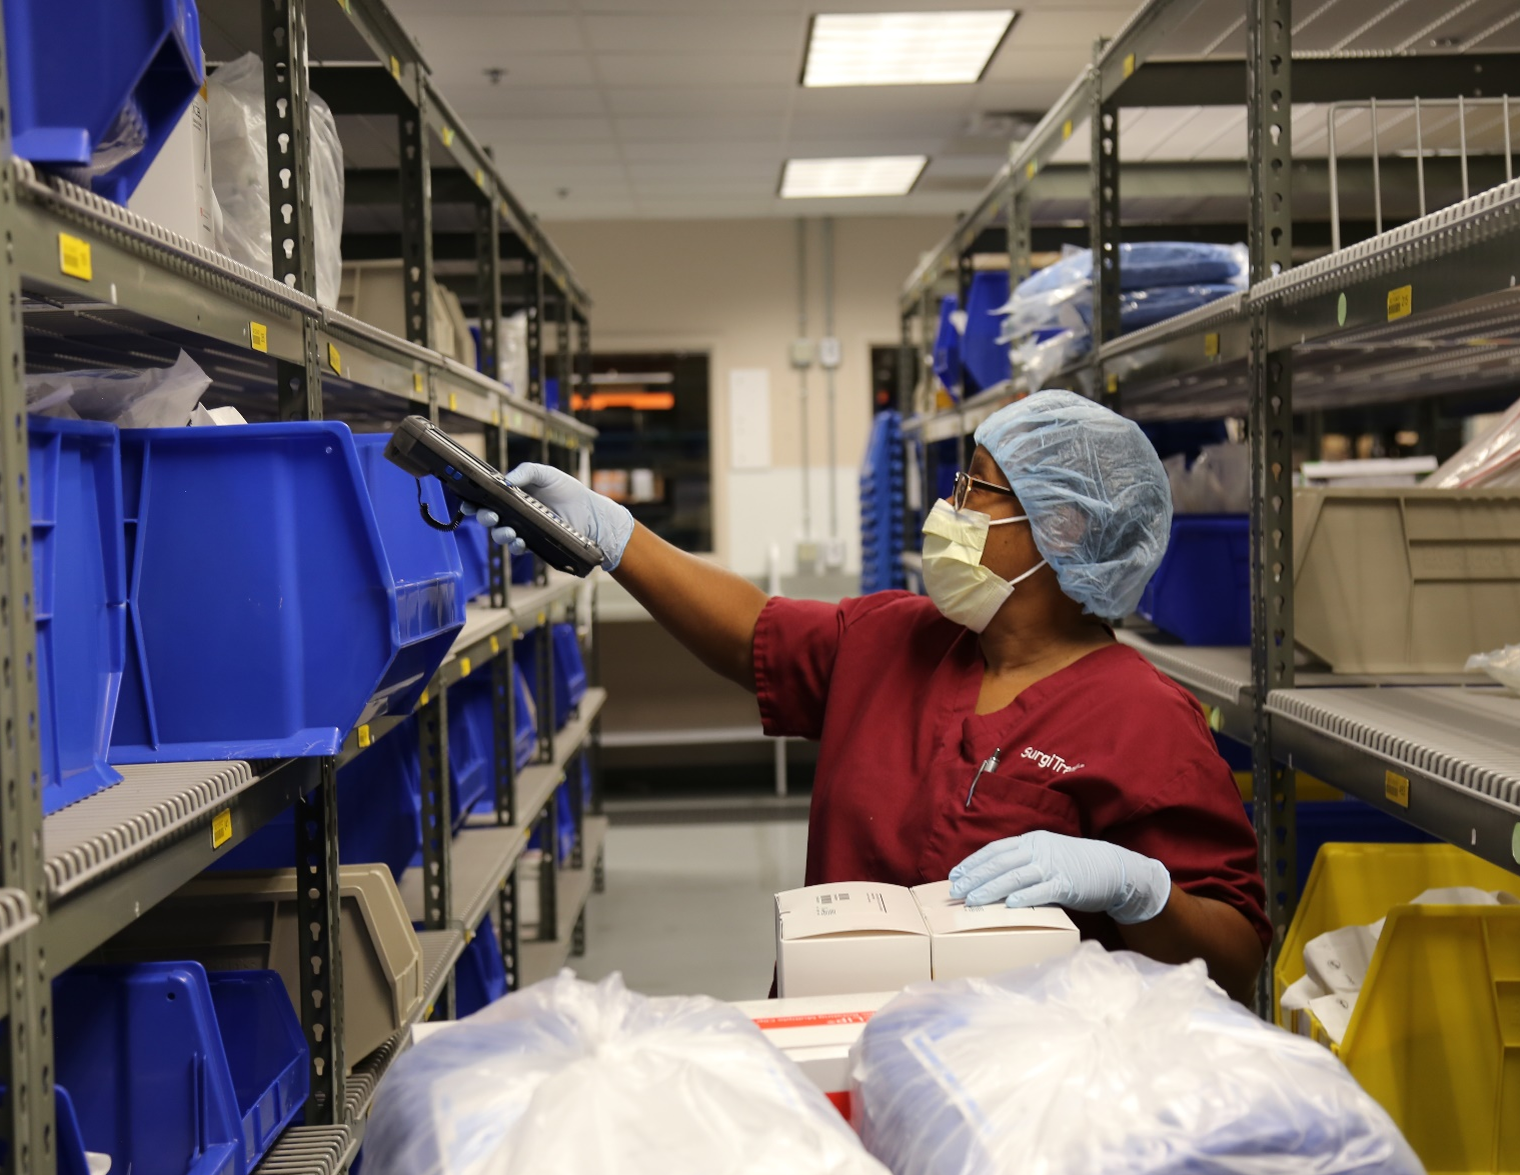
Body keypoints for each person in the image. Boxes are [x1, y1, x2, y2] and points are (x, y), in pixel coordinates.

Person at [472, 390, 1268, 999]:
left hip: (1019, 1102)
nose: (947, 508)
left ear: (1060, 528)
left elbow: (1233, 956)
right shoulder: (897, 638)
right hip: (832, 1057)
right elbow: (755, 632)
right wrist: (615, 536)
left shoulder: (1143, 718)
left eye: (975, 490)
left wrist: (1138, 888)